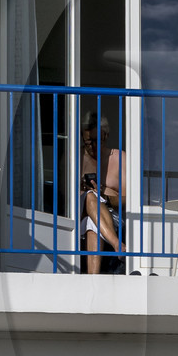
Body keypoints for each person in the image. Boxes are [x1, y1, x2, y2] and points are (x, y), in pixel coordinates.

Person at [80, 113, 125, 274]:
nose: (92, 146)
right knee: (90, 197)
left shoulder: (119, 158)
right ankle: (117, 245)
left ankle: (93, 281)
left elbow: (127, 200)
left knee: (92, 223)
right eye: (87, 142)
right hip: (78, 213)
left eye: (96, 141)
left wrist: (104, 195)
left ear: (105, 135)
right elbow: (64, 197)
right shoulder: (75, 159)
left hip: (110, 215)